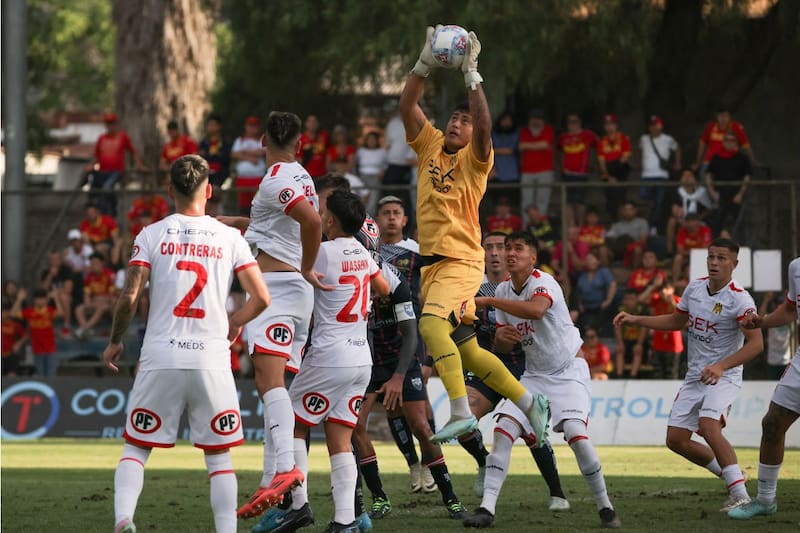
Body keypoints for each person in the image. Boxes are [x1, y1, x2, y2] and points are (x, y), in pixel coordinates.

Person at [102, 154, 269, 533]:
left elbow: (130, 297)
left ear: (169, 190)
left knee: (136, 448)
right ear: (208, 191)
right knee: (219, 457)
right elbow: (261, 298)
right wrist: (234, 323)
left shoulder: (150, 234)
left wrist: (115, 341)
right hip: (211, 358)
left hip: (160, 356)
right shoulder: (230, 237)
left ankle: (124, 519)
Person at [400, 25, 549, 444]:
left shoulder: (476, 159)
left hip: (461, 261)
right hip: (433, 266)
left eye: (464, 121)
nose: (457, 123)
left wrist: (471, 75)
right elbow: (407, 105)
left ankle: (460, 411)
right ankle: (529, 403)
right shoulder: (429, 144)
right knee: (467, 349)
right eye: (454, 117)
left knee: (431, 327)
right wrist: (423, 65)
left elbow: (484, 126)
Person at [464, 231, 621, 529]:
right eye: (508, 248)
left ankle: (605, 507)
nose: (510, 253)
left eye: (518, 249)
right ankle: (487, 509)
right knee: (503, 430)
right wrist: (502, 337)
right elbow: (504, 345)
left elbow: (536, 310)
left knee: (575, 434)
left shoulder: (543, 282)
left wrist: (488, 301)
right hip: (534, 375)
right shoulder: (504, 290)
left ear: (533, 257)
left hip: (568, 372)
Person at [221, 112, 325, 521]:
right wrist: (236, 223)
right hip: (294, 295)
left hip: (277, 290)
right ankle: (273, 482)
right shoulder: (302, 177)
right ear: (300, 144)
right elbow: (278, 225)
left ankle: (284, 469)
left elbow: (312, 222)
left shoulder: (276, 178)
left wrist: (307, 266)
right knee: (277, 389)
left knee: (269, 384)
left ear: (262, 140)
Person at [614, 237, 763, 512]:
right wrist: (636, 319)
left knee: (708, 426)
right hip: (695, 376)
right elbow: (675, 321)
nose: (714, 262)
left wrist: (721, 366)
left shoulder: (740, 299)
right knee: (676, 440)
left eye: (721, 258)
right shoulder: (694, 288)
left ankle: (740, 495)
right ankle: (733, 476)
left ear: (734, 264)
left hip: (724, 376)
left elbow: (756, 344)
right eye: (711, 257)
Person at [278, 189, 390, 533]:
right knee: (340, 439)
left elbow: (291, 268)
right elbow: (384, 288)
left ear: (330, 221)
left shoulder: (323, 252)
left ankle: (298, 505)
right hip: (360, 358)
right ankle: (344, 520)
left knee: (292, 423)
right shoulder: (362, 252)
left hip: (329, 355)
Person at [458, 231, 569, 509]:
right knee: (463, 420)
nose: (497, 253)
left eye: (502, 247)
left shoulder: (531, 284)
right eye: (490, 247)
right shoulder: (470, 286)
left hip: (527, 364)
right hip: (488, 363)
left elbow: (538, 314)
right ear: (481, 253)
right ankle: (484, 462)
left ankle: (557, 493)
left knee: (531, 430)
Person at [729, 256, 800, 520]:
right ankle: (766, 500)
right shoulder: (796, 267)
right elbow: (791, 310)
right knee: (772, 424)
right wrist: (763, 321)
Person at [85, 112, 146, 215]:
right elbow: (96, 156)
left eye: (112, 123)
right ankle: (98, 210)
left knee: (106, 188)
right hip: (102, 171)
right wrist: (91, 165)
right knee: (94, 190)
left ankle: (108, 213)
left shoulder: (122, 136)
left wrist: (139, 165)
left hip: (116, 171)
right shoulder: (101, 138)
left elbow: (133, 152)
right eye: (108, 123)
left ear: (116, 124)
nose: (110, 126)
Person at [705, 133, 752, 237]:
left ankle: (740, 244)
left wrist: (740, 194)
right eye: (727, 140)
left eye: (732, 140)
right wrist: (713, 193)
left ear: (736, 143)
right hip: (720, 195)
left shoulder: (742, 158)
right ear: (723, 142)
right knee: (718, 221)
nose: (729, 143)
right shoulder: (716, 157)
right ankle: (717, 243)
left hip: (736, 195)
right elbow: (708, 175)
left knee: (738, 222)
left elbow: (747, 176)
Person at [639, 115, 681, 232]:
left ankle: (653, 226)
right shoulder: (644, 139)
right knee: (644, 196)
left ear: (661, 126)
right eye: (652, 125)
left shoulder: (668, 139)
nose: (654, 127)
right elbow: (640, 151)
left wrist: (677, 163)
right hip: (646, 175)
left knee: (659, 202)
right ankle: (651, 218)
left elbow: (677, 148)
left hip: (661, 175)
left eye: (656, 125)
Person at [557, 113, 596, 228]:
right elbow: (557, 152)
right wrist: (561, 168)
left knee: (580, 202)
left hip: (581, 174)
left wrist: (592, 165)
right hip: (566, 174)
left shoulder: (588, 135)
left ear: (580, 123)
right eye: (570, 122)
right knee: (567, 201)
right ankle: (571, 227)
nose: (572, 125)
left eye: (575, 122)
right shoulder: (563, 137)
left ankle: (580, 227)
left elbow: (599, 147)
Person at [12, 288, 62, 377]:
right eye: (38, 299)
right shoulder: (29, 311)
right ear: (34, 300)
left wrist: (56, 298)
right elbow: (13, 314)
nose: (40, 301)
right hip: (37, 349)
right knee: (40, 375)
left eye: (42, 299)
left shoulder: (49, 311)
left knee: (52, 375)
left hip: (51, 348)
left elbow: (61, 314)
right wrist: (19, 300)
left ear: (46, 300)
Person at [666, 169, 715, 255]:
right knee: (671, 221)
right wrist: (681, 217)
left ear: (695, 179)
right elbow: (674, 210)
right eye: (684, 176)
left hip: (699, 221)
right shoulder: (676, 192)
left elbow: (709, 209)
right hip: (682, 221)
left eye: (689, 175)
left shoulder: (702, 192)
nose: (687, 178)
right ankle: (669, 252)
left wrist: (696, 220)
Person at [641, 281, 684, 380]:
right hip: (658, 341)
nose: (663, 292)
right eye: (661, 290)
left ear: (672, 290)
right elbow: (641, 299)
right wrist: (653, 286)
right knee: (657, 372)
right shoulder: (657, 300)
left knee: (671, 372)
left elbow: (681, 317)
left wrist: (671, 302)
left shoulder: (678, 300)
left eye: (666, 289)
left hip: (673, 342)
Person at [694, 107, 753, 176]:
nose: (723, 119)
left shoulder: (736, 126)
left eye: (726, 116)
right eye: (721, 116)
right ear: (717, 117)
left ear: (729, 117)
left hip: (730, 161)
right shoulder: (711, 126)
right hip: (709, 160)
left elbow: (746, 145)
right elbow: (702, 144)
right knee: (703, 174)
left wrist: (753, 160)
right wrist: (698, 162)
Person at [518, 109, 555, 217]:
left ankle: (540, 225)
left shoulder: (548, 129)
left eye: (538, 119)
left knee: (542, 201)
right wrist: (538, 145)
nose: (536, 121)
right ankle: (527, 225)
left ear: (543, 120)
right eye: (534, 119)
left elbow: (545, 144)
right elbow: (521, 146)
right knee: (527, 201)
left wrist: (528, 145)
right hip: (527, 171)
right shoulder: (524, 131)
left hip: (545, 171)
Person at [383, 104, 417, 220]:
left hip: (408, 166)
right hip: (393, 165)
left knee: (406, 198)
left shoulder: (414, 123)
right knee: (390, 196)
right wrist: (384, 166)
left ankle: (407, 223)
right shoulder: (392, 124)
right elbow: (387, 144)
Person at [74, 253, 117, 339]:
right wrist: (88, 303)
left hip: (107, 303)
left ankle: (85, 328)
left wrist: (100, 300)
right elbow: (87, 294)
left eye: (96, 263)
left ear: (102, 263)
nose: (93, 265)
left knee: (101, 307)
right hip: (94, 302)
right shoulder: (89, 277)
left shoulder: (109, 274)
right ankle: (85, 328)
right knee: (78, 309)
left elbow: (112, 295)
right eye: (92, 263)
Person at [597, 114, 631, 218]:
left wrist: (615, 175)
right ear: (604, 127)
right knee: (610, 199)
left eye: (611, 124)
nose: (609, 127)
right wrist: (609, 177)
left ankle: (622, 220)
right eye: (607, 124)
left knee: (621, 199)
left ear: (616, 125)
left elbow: (625, 157)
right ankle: (613, 221)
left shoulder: (624, 138)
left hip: (620, 170)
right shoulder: (601, 141)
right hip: (607, 171)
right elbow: (601, 162)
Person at [573, 252, 617, 333]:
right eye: (587, 260)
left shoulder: (603, 272)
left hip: (601, 305)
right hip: (586, 307)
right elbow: (578, 292)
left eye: (591, 259)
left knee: (609, 308)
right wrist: (579, 304)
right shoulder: (582, 275)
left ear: (598, 261)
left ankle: (593, 330)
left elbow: (612, 284)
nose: (589, 262)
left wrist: (608, 300)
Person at [231, 116, 268, 212]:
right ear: (246, 126)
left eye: (254, 126)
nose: (252, 128)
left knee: (257, 206)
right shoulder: (240, 140)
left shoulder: (262, 139)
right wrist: (250, 158)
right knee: (243, 207)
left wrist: (244, 152)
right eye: (250, 125)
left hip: (257, 177)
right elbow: (234, 154)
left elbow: (262, 152)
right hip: (242, 178)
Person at [758, 292, 793, 380]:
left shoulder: (789, 318)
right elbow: (760, 318)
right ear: (774, 306)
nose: (779, 306)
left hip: (785, 361)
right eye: (777, 304)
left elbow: (794, 310)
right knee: (772, 386)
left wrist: (790, 298)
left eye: (781, 304)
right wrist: (766, 300)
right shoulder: (771, 318)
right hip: (772, 361)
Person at [614, 290, 648, 379]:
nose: (629, 301)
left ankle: (633, 376)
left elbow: (644, 328)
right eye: (626, 299)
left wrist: (639, 343)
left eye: (631, 299)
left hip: (639, 340)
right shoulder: (620, 310)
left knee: (638, 350)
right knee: (619, 349)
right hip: (625, 340)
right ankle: (619, 376)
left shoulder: (642, 310)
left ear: (637, 299)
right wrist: (620, 342)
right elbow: (617, 327)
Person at [488, 111, 519, 207]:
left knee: (511, 202)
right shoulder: (493, 134)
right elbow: (487, 150)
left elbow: (510, 151)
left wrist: (494, 151)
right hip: (496, 174)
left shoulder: (516, 134)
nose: (506, 123)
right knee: (496, 202)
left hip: (512, 174)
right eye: (504, 120)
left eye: (509, 121)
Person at [605, 201, 649, 268]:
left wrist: (630, 245)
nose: (627, 212)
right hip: (619, 249)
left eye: (630, 209)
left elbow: (643, 240)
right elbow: (610, 239)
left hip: (633, 248)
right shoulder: (616, 225)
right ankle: (605, 272)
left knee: (638, 249)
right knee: (603, 250)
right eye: (625, 210)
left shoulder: (642, 222)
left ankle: (635, 272)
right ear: (622, 211)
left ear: (635, 210)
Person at [671, 213, 713, 283]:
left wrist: (691, 252)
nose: (690, 224)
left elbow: (705, 248)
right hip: (687, 257)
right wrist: (692, 253)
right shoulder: (682, 231)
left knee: (689, 272)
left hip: (700, 258)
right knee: (678, 258)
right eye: (688, 222)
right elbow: (680, 250)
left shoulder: (705, 230)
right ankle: (675, 282)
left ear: (697, 222)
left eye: (692, 221)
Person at [355, 131, 387, 214]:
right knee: (362, 200)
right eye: (369, 139)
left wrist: (382, 172)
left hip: (375, 178)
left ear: (377, 141)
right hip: (362, 178)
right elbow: (355, 164)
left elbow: (385, 165)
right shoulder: (361, 151)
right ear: (366, 141)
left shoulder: (382, 152)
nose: (371, 141)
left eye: (373, 139)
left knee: (372, 203)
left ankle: (370, 220)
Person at [197, 114, 232, 187]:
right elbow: (201, 157)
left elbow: (226, 158)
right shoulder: (203, 143)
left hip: (222, 174)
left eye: (213, 125)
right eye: (209, 125)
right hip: (206, 174)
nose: (211, 127)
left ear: (219, 126)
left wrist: (211, 154)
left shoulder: (225, 141)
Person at [299, 114, 329, 178]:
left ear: (318, 124)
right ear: (306, 124)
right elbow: (298, 158)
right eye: (310, 121)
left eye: (314, 121)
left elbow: (328, 153)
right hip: (306, 174)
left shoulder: (324, 136)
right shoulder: (301, 138)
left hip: (323, 174)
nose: (312, 124)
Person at [2, 303, 28, 376]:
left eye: (4, 312)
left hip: (10, 354)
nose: (3, 314)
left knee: (11, 375)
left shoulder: (15, 325)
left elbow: (25, 336)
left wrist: (18, 343)